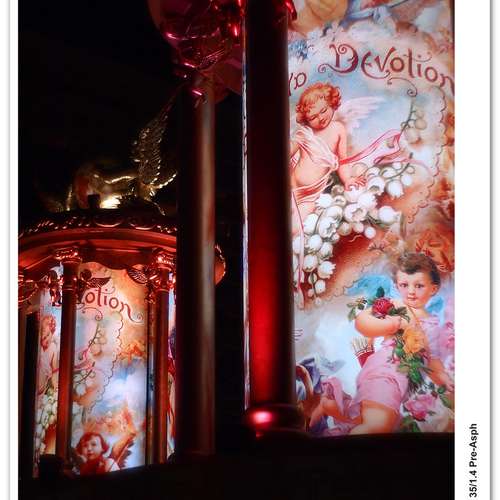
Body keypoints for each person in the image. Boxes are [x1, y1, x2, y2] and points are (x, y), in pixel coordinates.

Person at [319, 253, 454, 434]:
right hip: (384, 372)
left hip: (402, 384)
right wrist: (389, 325)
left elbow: (433, 358)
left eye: (419, 286)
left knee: (379, 425)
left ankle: (334, 408)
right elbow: (362, 322)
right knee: (378, 426)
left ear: (433, 288)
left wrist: (442, 376)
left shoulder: (434, 324)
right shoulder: (396, 306)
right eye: (404, 285)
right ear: (397, 286)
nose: (411, 291)